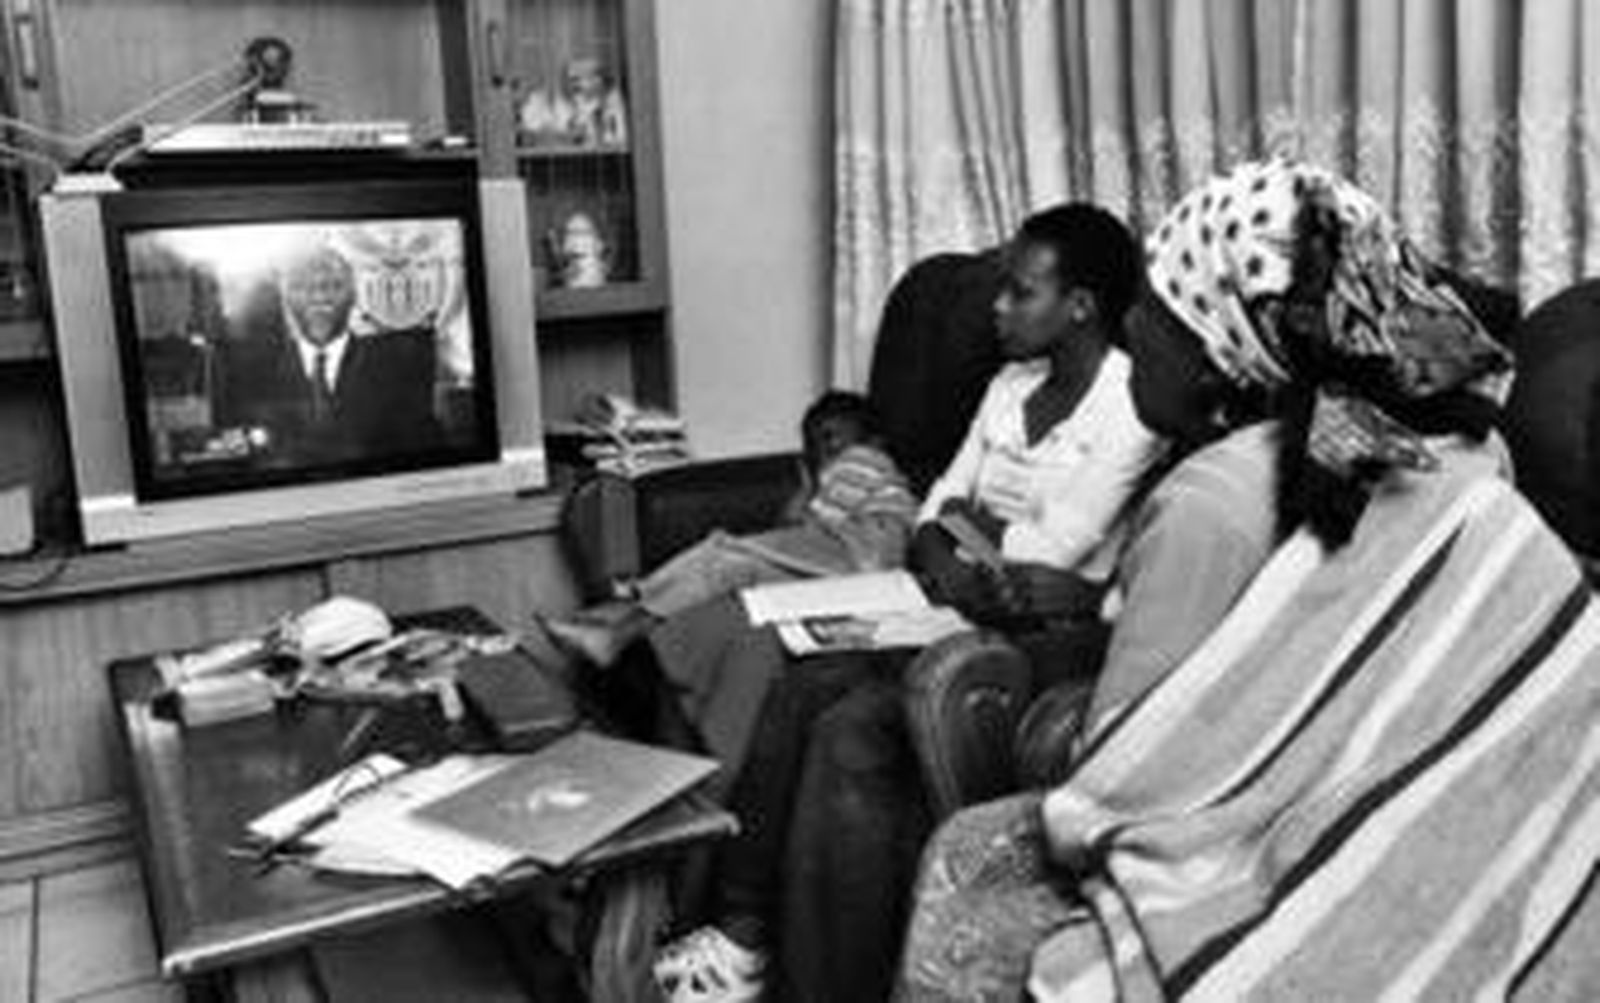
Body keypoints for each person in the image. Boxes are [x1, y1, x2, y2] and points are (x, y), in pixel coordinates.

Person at [892, 158, 1572, 1002]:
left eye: (1153, 312)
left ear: (1224, 345)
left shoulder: (1211, 500)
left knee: (966, 856)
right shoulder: (1461, 446)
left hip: (1290, 837)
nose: (1131, 333)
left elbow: (1125, 772)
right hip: (1481, 834)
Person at [648, 202, 1166, 1003]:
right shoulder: (1007, 385)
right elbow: (934, 510)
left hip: (1026, 631)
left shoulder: (1132, 404)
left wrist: (964, 532)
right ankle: (741, 937)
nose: (999, 308)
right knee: (795, 680)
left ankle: (778, 962)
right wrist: (961, 534)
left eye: (1020, 293)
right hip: (941, 598)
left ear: (1080, 306)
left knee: (845, 719)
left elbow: (1055, 549)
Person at [547, 390, 918, 668]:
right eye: (812, 445)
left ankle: (618, 628)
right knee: (723, 554)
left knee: (728, 557)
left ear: (873, 442)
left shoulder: (866, 462)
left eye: (831, 438)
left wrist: (807, 488)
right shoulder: (842, 474)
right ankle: (627, 609)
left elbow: (805, 525)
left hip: (863, 557)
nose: (822, 452)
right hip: (839, 558)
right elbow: (801, 534)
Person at [211, 243, 442, 467]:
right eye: (302, 287)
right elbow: (232, 456)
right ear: (287, 298)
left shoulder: (396, 370)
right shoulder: (249, 375)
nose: (319, 297)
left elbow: (425, 453)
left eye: (332, 285)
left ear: (353, 295)